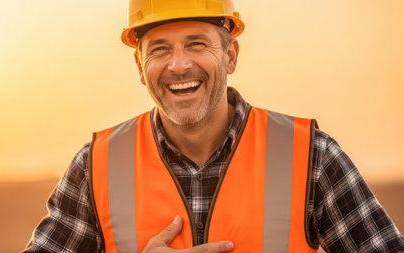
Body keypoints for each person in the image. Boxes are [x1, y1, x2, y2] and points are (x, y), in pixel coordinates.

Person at [23, 0, 404, 252]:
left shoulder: (311, 156)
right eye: (159, 49)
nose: (178, 65)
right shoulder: (98, 166)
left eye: (196, 44)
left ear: (230, 55)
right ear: (140, 68)